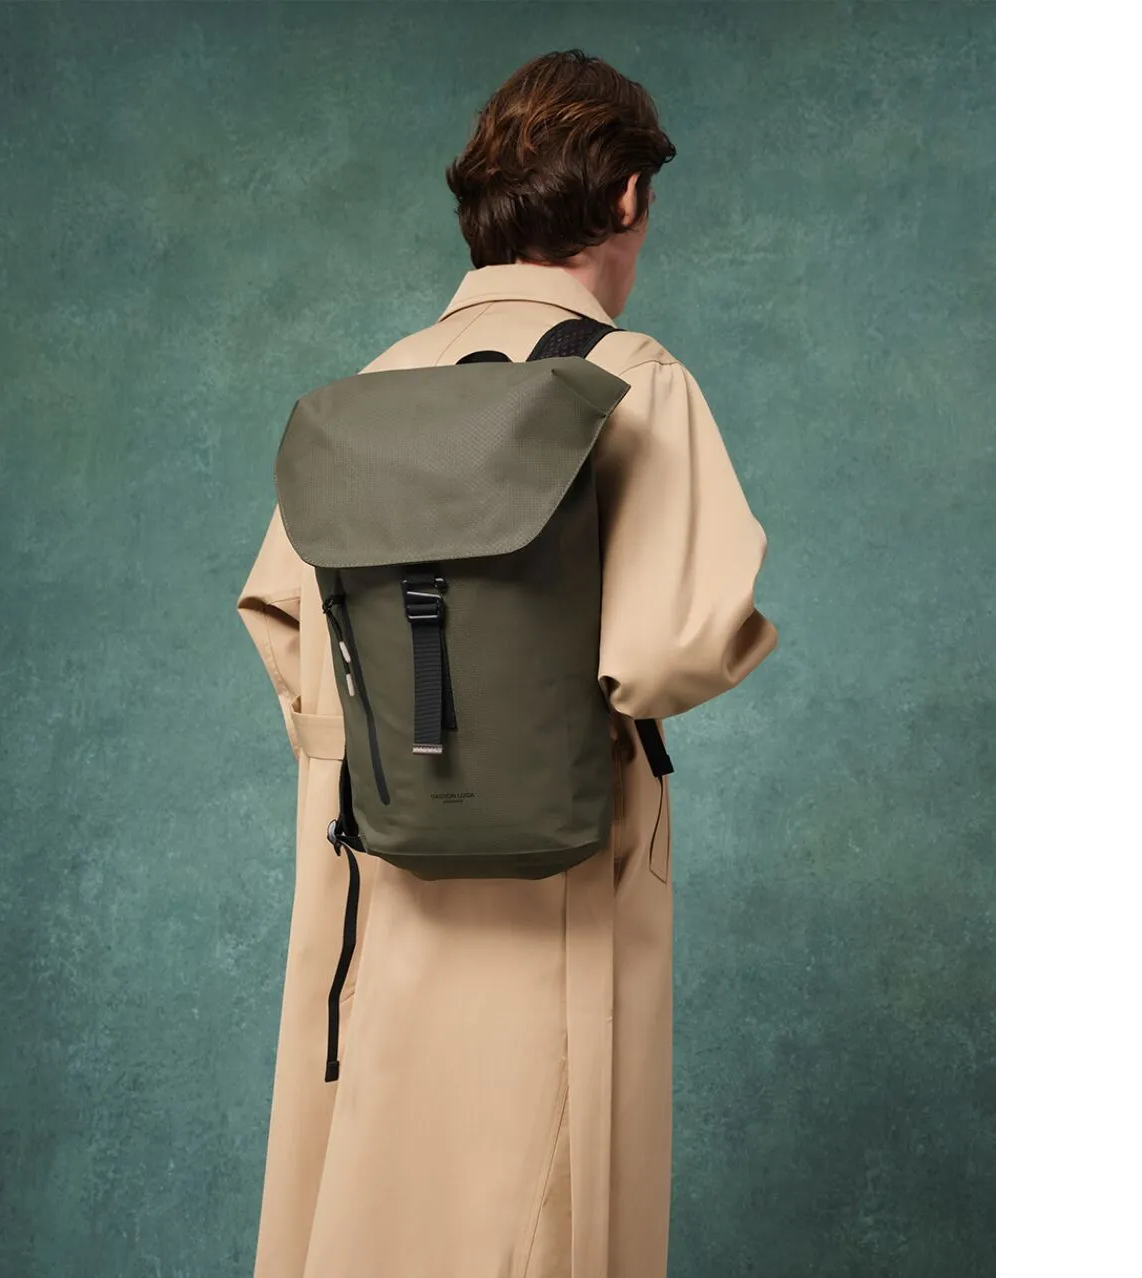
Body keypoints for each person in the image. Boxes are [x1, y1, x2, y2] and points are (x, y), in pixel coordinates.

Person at [237, 48, 778, 1278]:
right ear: (626, 196)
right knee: (544, 1187)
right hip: (562, 858)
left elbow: (281, 621)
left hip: (371, 852)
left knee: (369, 1180)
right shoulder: (629, 381)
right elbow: (672, 645)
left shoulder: (364, 393)